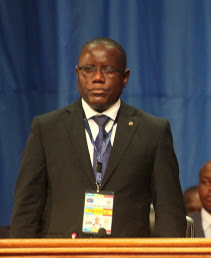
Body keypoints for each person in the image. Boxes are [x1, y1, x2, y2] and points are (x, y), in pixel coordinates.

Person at [10, 38, 187, 238]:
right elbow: (27, 207)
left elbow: (169, 210)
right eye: (89, 69)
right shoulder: (47, 129)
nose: (97, 78)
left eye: (108, 70)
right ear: (77, 74)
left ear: (125, 77)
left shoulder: (153, 131)